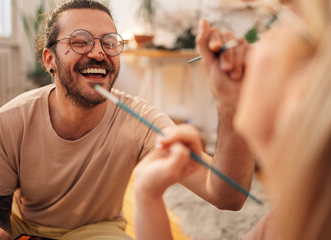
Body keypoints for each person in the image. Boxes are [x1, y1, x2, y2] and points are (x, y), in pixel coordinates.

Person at [0, 0, 254, 239]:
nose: (98, 52)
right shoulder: (9, 120)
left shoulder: (141, 119)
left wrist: (232, 105)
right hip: (26, 227)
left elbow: (227, 196)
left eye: (109, 42)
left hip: (100, 231)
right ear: (49, 59)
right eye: (80, 42)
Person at [134, 0, 331, 239]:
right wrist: (148, 195)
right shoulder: (287, 221)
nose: (261, 40)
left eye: (286, 18)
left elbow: (227, 196)